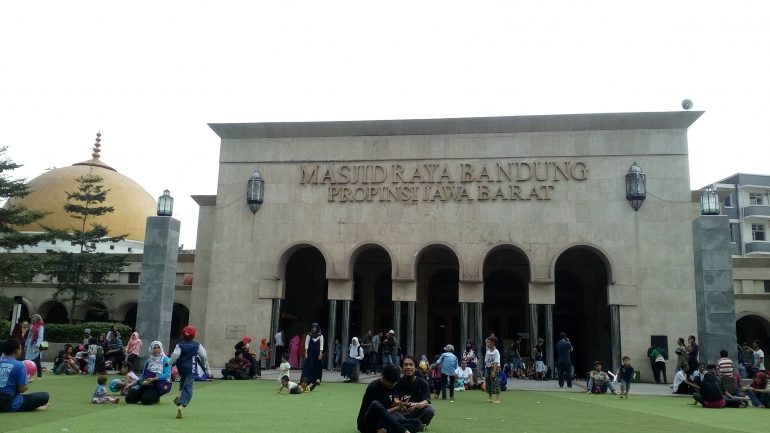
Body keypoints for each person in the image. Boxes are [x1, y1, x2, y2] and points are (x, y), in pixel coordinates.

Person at [356, 365, 422, 433]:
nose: (393, 385)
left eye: (395, 383)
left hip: (384, 421)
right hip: (368, 422)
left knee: (417, 423)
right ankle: (403, 430)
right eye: (391, 383)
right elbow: (381, 412)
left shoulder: (390, 387)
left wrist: (400, 404)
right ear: (384, 378)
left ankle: (384, 431)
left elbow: (389, 406)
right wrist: (398, 407)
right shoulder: (373, 387)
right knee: (375, 404)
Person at [168, 325, 209, 419]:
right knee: (188, 387)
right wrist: (204, 364)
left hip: (181, 368)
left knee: (183, 380)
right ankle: (181, 406)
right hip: (191, 369)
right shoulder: (197, 345)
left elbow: (175, 355)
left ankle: (179, 394)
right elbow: (203, 356)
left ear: (183, 335)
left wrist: (168, 363)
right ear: (194, 335)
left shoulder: (179, 345)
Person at [0, 338, 50, 412]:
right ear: (16, 351)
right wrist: (26, 381)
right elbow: (22, 389)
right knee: (44, 396)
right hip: (10, 402)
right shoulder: (20, 365)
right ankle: (35, 407)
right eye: (20, 348)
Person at [125, 341, 172, 406]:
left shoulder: (166, 360)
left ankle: (155, 396)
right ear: (151, 349)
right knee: (129, 399)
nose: (156, 350)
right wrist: (131, 384)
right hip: (146, 384)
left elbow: (167, 375)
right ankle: (147, 393)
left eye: (158, 348)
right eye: (154, 348)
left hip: (159, 385)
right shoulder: (148, 361)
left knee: (145, 401)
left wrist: (154, 379)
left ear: (161, 348)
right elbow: (143, 377)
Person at [396, 356, 435, 428]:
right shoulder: (397, 383)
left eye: (411, 365)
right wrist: (400, 404)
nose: (408, 367)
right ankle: (415, 424)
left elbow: (426, 401)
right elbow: (395, 398)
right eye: (406, 365)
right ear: (401, 368)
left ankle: (407, 424)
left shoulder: (423, 383)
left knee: (429, 409)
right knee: (390, 412)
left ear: (416, 368)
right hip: (401, 412)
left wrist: (417, 405)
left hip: (416, 412)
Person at [24, 314, 44, 379]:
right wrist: (26, 345)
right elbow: (29, 336)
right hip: (30, 344)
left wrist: (37, 346)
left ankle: (39, 375)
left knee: (37, 360)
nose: (31, 320)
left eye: (33, 319)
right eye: (31, 319)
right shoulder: (32, 326)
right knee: (27, 359)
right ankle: (26, 374)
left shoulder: (40, 327)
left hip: (36, 344)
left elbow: (40, 337)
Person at [484, 336, 501, 403]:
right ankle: (490, 397)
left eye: (488, 342)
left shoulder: (496, 352)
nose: (487, 344)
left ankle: (498, 398)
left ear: (493, 343)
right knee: (488, 382)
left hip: (493, 368)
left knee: (495, 382)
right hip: (488, 368)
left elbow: (496, 362)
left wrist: (494, 371)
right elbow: (486, 361)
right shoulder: (488, 352)